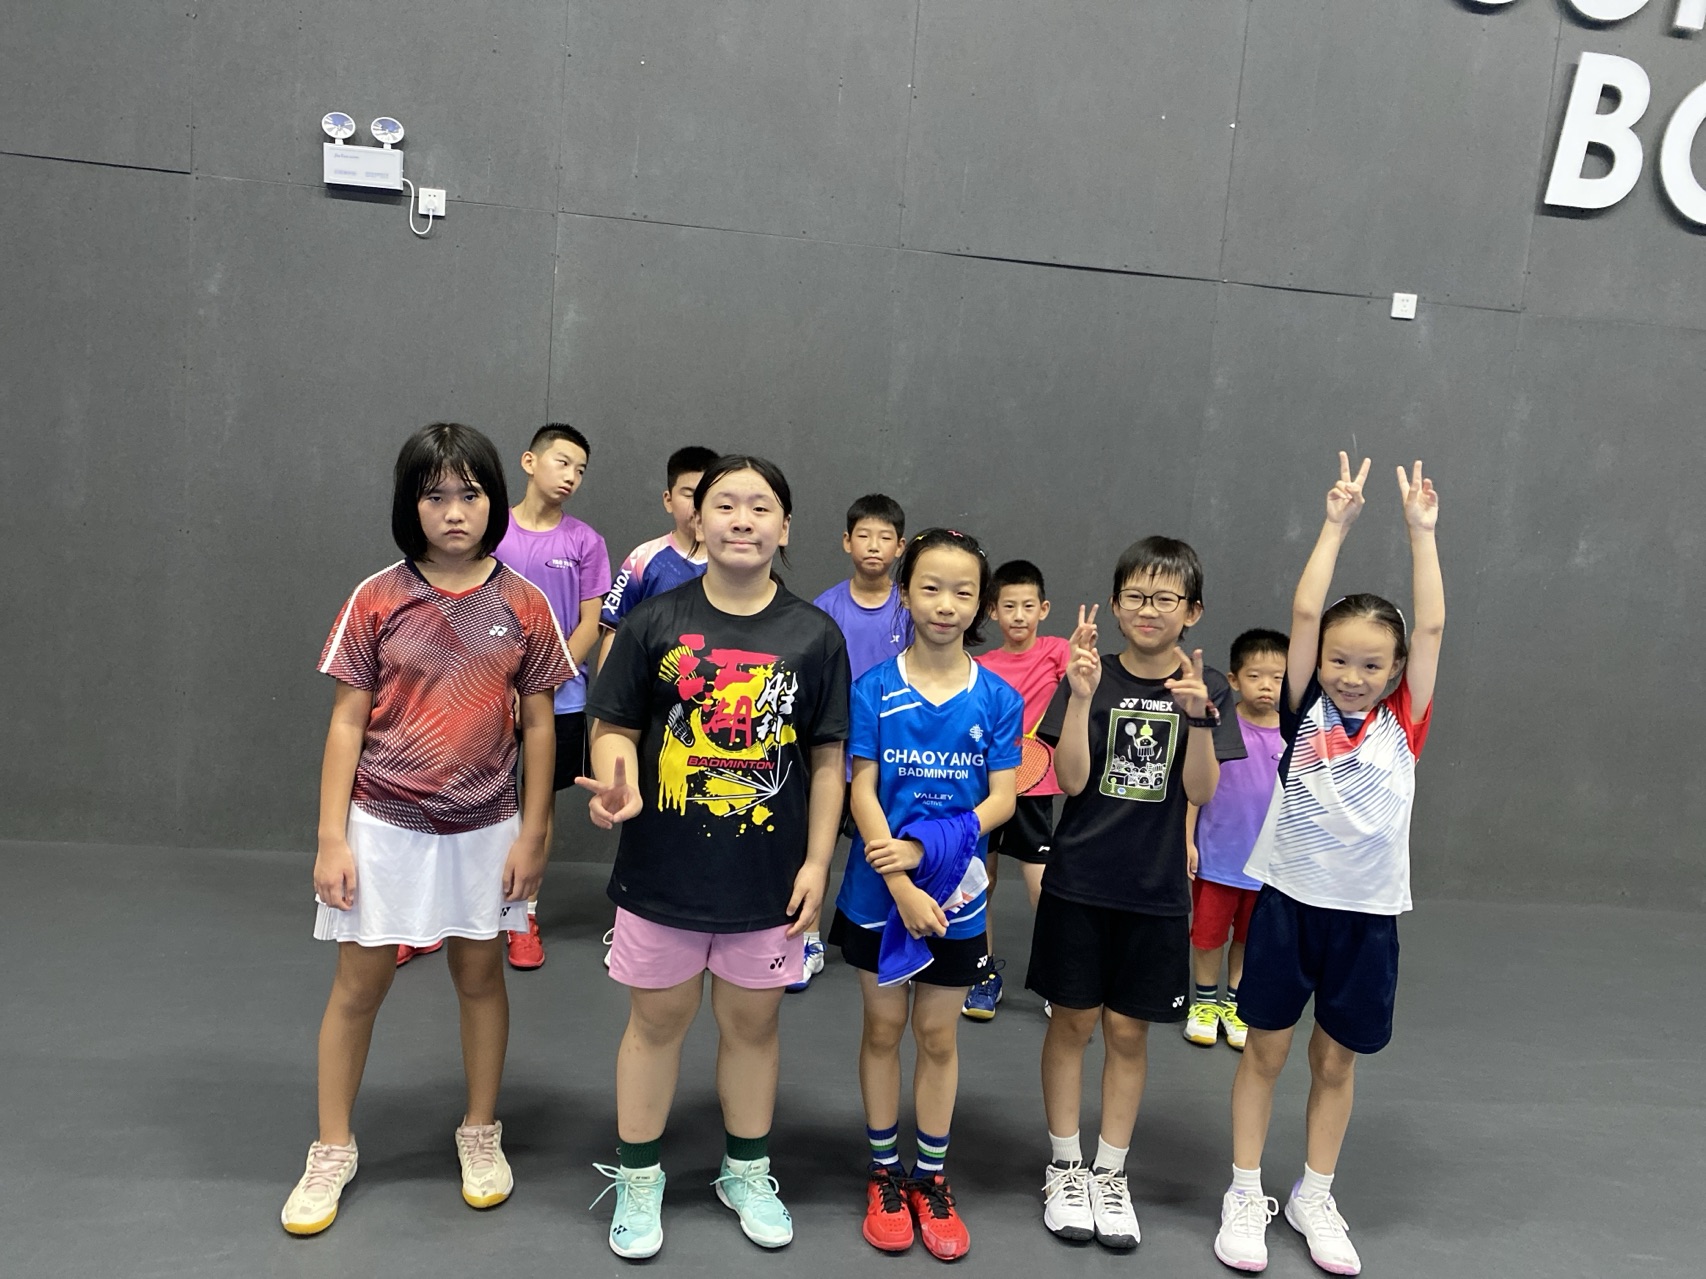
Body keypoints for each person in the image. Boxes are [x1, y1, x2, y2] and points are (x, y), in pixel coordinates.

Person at [281, 423, 573, 1236]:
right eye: (435, 495)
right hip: (382, 823)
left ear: (494, 501)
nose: (453, 511)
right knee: (359, 985)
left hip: (487, 826)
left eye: (469, 494)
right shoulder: (376, 597)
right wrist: (331, 837)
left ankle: (480, 1130)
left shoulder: (525, 603)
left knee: (481, 976)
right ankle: (332, 1146)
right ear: (410, 505)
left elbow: (540, 726)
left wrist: (535, 831)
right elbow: (346, 723)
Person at [578, 456, 850, 1260]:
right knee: (656, 1020)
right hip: (662, 870)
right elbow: (614, 722)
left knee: (753, 1025)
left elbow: (827, 758)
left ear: (784, 526)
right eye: (723, 503)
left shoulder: (814, 635)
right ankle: (638, 1177)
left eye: (759, 506)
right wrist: (618, 782)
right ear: (697, 519)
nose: (740, 518)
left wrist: (817, 863)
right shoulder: (655, 622)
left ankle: (746, 1171)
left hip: (767, 878)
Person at [1213, 457, 1443, 1277]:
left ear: (1396, 670)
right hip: (1288, 905)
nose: (1352, 675)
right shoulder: (1304, 706)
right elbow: (1307, 608)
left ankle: (1315, 1193)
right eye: (1340, 660)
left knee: (1335, 1060)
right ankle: (1245, 1189)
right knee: (1265, 1052)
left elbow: (1433, 628)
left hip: (1367, 917)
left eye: (1372, 665)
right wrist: (1336, 525)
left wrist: (1421, 534)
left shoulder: (1405, 720)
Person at [1027, 538, 1246, 1251]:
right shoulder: (1089, 672)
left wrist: (1201, 720)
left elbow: (1200, 791)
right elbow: (1070, 781)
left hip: (1155, 890)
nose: (1148, 610)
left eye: (1165, 599)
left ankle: (1110, 1172)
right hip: (1080, 880)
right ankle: (1065, 1166)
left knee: (1128, 1032)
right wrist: (1080, 696)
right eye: (1135, 597)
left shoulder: (1208, 686)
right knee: (1072, 1023)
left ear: (1193, 610)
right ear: (1116, 605)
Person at [828, 528, 1022, 1260]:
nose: (946, 604)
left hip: (957, 897)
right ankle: (884, 1171)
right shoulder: (873, 689)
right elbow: (863, 791)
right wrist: (900, 879)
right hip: (879, 892)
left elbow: (1002, 799)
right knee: (882, 1030)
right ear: (905, 593)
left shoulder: (997, 698)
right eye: (931, 587)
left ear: (981, 604)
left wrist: (931, 849)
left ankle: (931, 1177)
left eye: (963, 591)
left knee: (938, 1036)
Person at [480, 422, 611, 971]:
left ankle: (522, 914)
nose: (571, 476)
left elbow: (591, 624)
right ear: (529, 462)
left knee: (538, 802)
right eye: (562, 462)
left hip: (559, 700)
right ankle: (446, 913)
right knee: (469, 799)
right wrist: (498, 681)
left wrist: (540, 681)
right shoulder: (490, 530)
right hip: (482, 693)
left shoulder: (585, 542)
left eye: (581, 470)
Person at [803, 493, 913, 990]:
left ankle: (899, 933)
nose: (873, 545)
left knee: (891, 846)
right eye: (863, 535)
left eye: (884, 537)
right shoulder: (825, 609)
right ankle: (807, 938)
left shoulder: (910, 609)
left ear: (900, 547)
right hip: (834, 754)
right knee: (817, 849)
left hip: (892, 757)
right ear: (847, 542)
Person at [963, 559, 1070, 1021]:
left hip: (1034, 788)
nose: (1019, 615)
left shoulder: (1057, 651)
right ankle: (982, 973)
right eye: (1009, 606)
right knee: (980, 884)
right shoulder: (981, 666)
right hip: (987, 787)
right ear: (992, 611)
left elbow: (1084, 682)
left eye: (1028, 606)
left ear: (1043, 609)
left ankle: (1055, 979)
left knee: (1044, 890)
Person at [1182, 628, 1288, 1050]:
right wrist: (1187, 840)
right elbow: (1195, 787)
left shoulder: (1296, 734)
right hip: (1217, 859)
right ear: (1233, 679)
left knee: (1247, 938)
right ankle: (1205, 1004)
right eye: (1255, 676)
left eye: (1278, 678)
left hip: (1266, 868)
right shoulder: (1218, 726)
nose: (1266, 686)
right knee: (1208, 936)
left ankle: (1234, 1004)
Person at [596, 444, 719, 668]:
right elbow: (615, 632)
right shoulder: (642, 559)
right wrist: (605, 690)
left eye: (707, 494)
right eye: (689, 494)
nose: (698, 505)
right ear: (668, 500)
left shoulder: (733, 564)